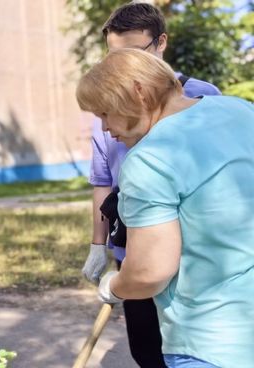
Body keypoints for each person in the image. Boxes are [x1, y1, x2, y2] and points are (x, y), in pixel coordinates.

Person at [78, 48, 254, 368]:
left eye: (104, 113)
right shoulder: (241, 112)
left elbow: (149, 272)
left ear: (138, 94)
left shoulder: (149, 158)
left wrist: (115, 286)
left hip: (209, 343)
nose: (104, 128)